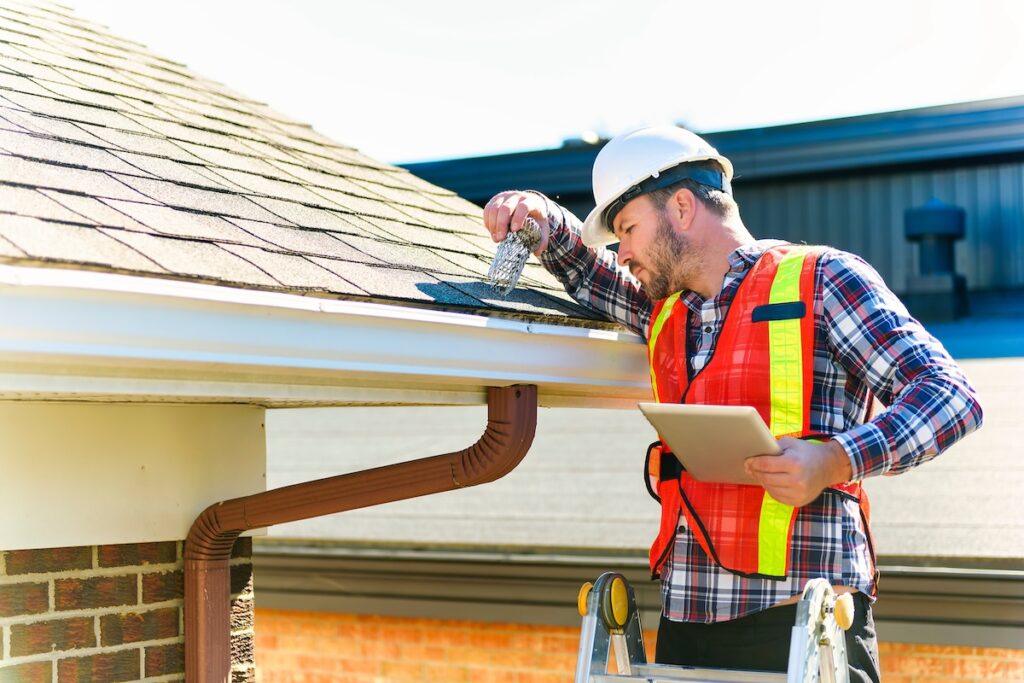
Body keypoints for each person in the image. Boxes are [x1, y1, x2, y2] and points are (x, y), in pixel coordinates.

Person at [482, 126, 983, 682]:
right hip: (687, 618)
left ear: (681, 207)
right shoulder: (666, 312)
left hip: (804, 621)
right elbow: (585, 268)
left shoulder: (824, 280)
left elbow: (949, 396)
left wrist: (833, 460)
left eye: (627, 229)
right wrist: (538, 217)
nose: (621, 252)